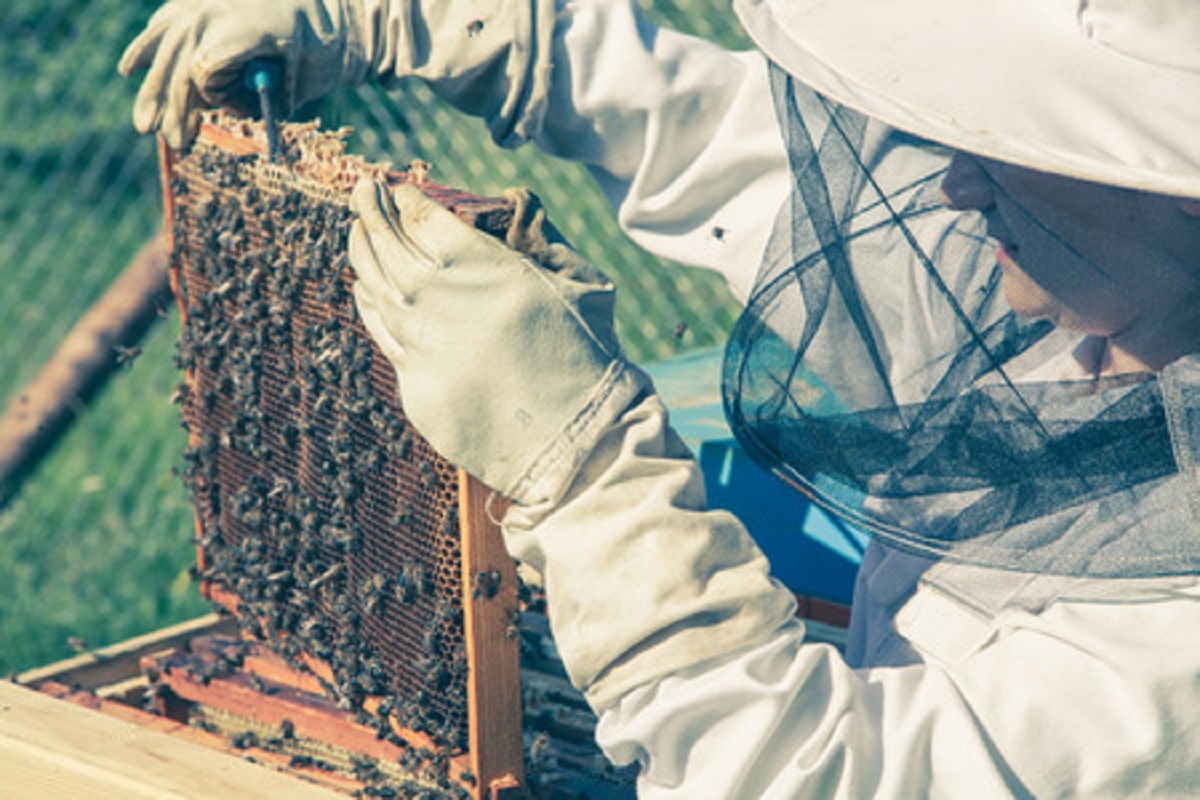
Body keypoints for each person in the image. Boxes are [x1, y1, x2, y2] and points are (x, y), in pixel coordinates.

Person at [120, 0, 1200, 795]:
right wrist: (438, 26)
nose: (959, 179)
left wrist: (589, 475)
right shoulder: (1106, 309)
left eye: (1017, 143)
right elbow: (759, 169)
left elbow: (809, 776)